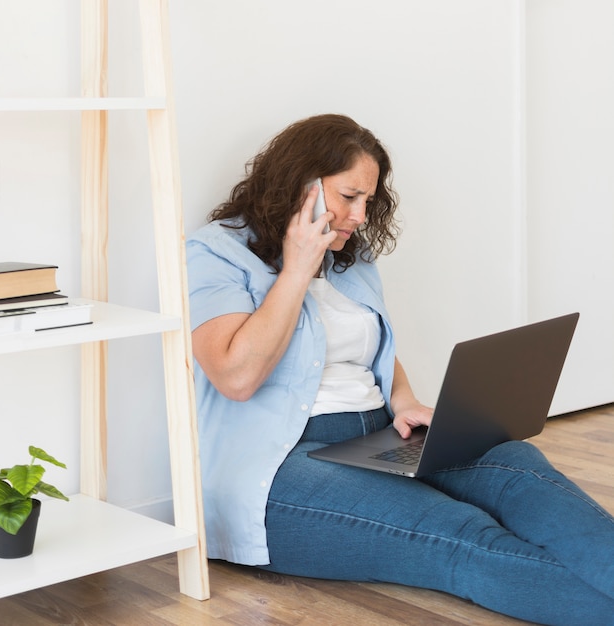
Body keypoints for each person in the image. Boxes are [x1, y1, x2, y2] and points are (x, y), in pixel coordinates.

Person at [186, 114, 614, 626]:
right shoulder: (215, 253)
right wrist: (298, 266)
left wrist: (405, 398)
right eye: (349, 196)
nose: (360, 215)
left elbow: (369, 350)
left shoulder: (350, 256)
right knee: (459, 534)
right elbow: (236, 377)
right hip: (277, 466)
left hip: (376, 433)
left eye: (368, 200)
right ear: (299, 183)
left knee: (519, 467)